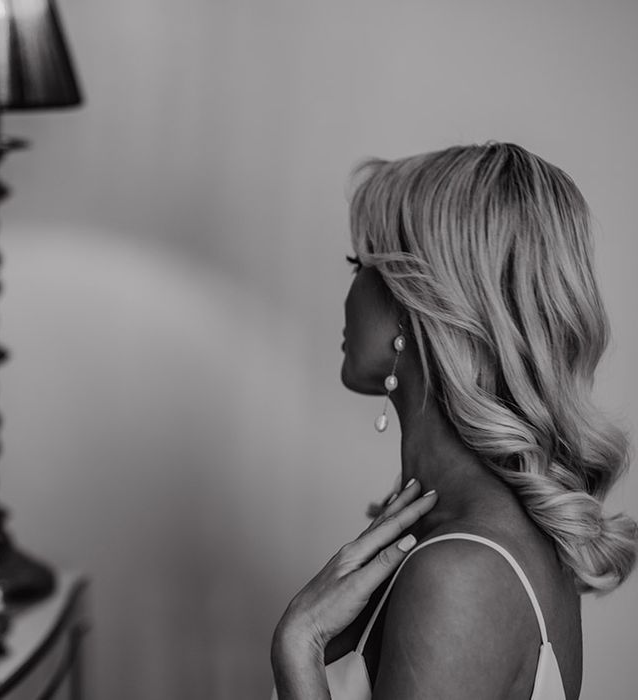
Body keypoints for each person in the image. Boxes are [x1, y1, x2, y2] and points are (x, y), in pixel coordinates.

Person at [270, 143, 638, 699]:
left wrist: (299, 646)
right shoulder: (466, 539)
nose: (348, 291)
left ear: (419, 302)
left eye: (360, 264)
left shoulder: (461, 575)